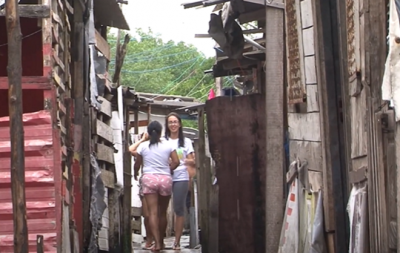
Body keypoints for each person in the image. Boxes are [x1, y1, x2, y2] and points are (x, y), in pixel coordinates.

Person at [130, 121, 179, 252]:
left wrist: (135, 173)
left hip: (149, 178)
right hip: (165, 179)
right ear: (160, 132)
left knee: (152, 212)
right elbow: (176, 161)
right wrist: (169, 170)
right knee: (162, 212)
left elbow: (137, 164)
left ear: (149, 132)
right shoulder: (168, 145)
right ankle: (162, 242)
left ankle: (156, 243)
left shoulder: (143, 146)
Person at [164, 112, 196, 250]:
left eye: (175, 122)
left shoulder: (186, 141)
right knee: (161, 209)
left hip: (181, 176)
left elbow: (193, 161)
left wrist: (181, 160)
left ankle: (176, 241)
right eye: (170, 122)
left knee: (179, 208)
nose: (173, 124)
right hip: (165, 175)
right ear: (167, 125)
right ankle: (159, 240)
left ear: (180, 124)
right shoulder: (163, 140)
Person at [130, 134, 154, 250]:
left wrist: (142, 139)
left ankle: (153, 239)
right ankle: (151, 239)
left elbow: (130, 150)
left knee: (151, 214)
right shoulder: (143, 149)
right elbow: (131, 150)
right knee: (148, 215)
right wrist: (142, 140)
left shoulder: (161, 147)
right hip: (148, 181)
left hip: (152, 181)